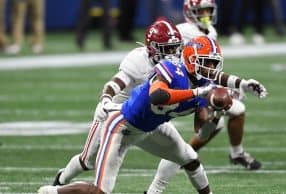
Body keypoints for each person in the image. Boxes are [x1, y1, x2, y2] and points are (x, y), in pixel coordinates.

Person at [38, 34, 267, 194]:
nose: (211, 70)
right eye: (206, 63)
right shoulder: (172, 69)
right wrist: (198, 92)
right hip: (121, 125)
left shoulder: (204, 85)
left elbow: (201, 129)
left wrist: (217, 112)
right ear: (191, 60)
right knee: (99, 191)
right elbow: (158, 96)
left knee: (190, 158)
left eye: (213, 64)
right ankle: (52, 191)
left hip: (152, 126)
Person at [146, 1, 267, 193]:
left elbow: (208, 70)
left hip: (196, 83)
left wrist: (235, 84)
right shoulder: (184, 30)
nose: (205, 14)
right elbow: (168, 47)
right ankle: (180, 164)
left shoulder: (209, 30)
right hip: (178, 84)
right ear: (190, 11)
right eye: (201, 10)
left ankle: (235, 153)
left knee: (232, 112)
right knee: (184, 146)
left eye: (208, 10)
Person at [50, 18, 186, 187]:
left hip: (146, 115)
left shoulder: (177, 65)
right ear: (152, 49)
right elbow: (116, 83)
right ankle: (61, 180)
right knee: (87, 160)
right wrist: (105, 100)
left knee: (180, 152)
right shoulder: (138, 60)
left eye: (175, 48)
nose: (173, 54)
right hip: (115, 113)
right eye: (168, 49)